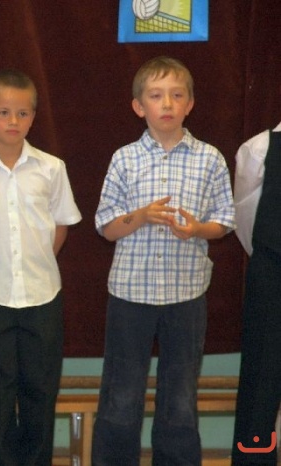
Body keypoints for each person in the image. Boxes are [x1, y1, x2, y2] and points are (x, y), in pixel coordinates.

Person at [92, 56, 235, 466]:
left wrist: (197, 229)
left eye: (176, 95)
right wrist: (140, 216)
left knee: (180, 396)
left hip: (186, 295)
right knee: (121, 394)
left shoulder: (210, 158)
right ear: (139, 106)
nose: (167, 103)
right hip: (130, 294)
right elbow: (106, 226)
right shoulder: (125, 158)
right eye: (156, 96)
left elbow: (225, 221)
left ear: (190, 103)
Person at [0, 69, 82, 466]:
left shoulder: (51, 168)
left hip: (42, 296)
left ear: (33, 117)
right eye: (4, 112)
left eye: (23, 113)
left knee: (40, 392)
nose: (13, 121)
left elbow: (60, 224)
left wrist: (36, 262)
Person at [230, 122, 281, 466]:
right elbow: (246, 214)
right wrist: (270, 251)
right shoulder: (260, 148)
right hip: (273, 273)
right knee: (262, 379)